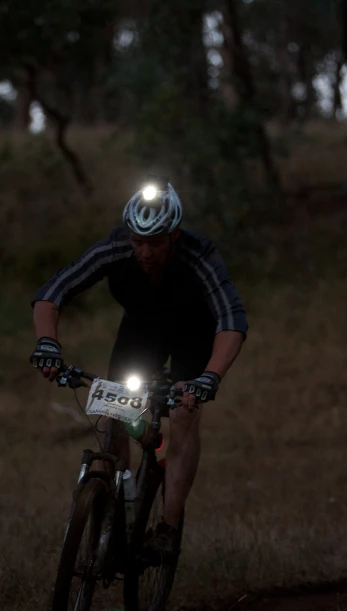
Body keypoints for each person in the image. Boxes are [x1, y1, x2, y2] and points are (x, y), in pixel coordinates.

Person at [30, 179, 247, 558]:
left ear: (174, 235)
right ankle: (115, 517)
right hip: (142, 330)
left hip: (193, 333)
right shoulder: (115, 248)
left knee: (182, 414)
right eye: (137, 242)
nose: (145, 252)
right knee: (116, 410)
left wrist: (209, 378)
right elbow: (54, 292)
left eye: (156, 243)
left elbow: (231, 321)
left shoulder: (199, 255)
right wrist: (47, 342)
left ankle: (167, 527)